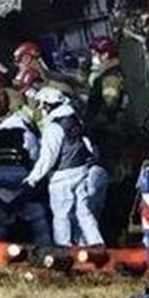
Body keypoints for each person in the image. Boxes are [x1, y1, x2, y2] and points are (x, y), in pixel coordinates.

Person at [23, 87, 103, 248]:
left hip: (62, 176)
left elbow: (48, 158)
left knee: (61, 214)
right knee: (83, 210)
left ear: (49, 105)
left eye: (42, 105)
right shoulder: (74, 120)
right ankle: (96, 242)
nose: (40, 108)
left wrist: (32, 179)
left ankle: (63, 247)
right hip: (81, 171)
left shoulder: (54, 127)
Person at [83, 36, 138, 244]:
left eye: (95, 53)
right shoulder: (108, 74)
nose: (93, 57)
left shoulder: (111, 77)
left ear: (105, 54)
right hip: (112, 138)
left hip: (111, 140)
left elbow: (110, 105)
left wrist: (92, 125)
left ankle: (114, 235)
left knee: (114, 187)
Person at [0, 87, 51, 247]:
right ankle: (45, 247)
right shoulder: (28, 134)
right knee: (37, 215)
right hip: (22, 181)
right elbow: (36, 159)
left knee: (2, 220)